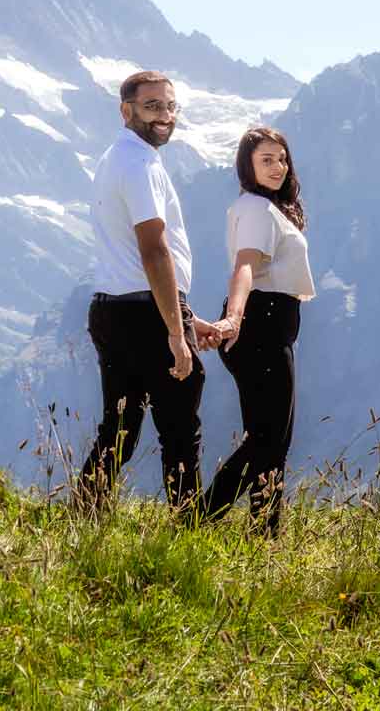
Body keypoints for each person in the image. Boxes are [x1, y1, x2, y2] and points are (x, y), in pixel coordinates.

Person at [75, 70, 223, 510]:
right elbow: (153, 251)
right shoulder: (139, 164)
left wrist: (186, 316)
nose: (165, 116)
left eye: (170, 106)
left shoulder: (115, 158)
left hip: (112, 308)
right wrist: (177, 335)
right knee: (179, 429)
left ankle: (83, 515)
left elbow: (128, 263)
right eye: (152, 106)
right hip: (147, 317)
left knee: (119, 427)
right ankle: (188, 531)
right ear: (127, 111)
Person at [200, 125, 315, 533]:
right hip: (260, 329)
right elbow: (245, 266)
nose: (278, 167)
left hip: (269, 330)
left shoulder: (269, 208)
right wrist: (234, 317)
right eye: (266, 159)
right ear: (247, 166)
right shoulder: (256, 209)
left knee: (269, 440)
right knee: (268, 440)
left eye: (282, 158)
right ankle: (197, 519)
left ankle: (263, 533)